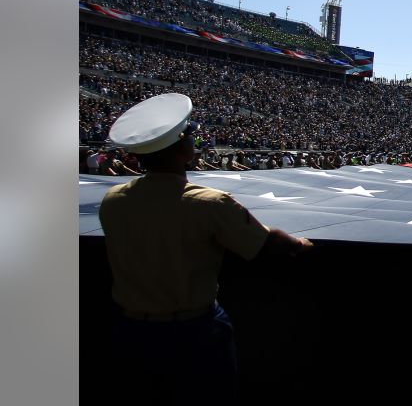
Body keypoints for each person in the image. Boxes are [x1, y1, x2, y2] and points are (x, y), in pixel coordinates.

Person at [99, 93, 313, 404]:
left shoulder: (113, 200)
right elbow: (265, 244)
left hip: (129, 329)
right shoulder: (208, 203)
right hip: (193, 332)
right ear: (184, 150)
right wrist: (299, 243)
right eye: (190, 137)